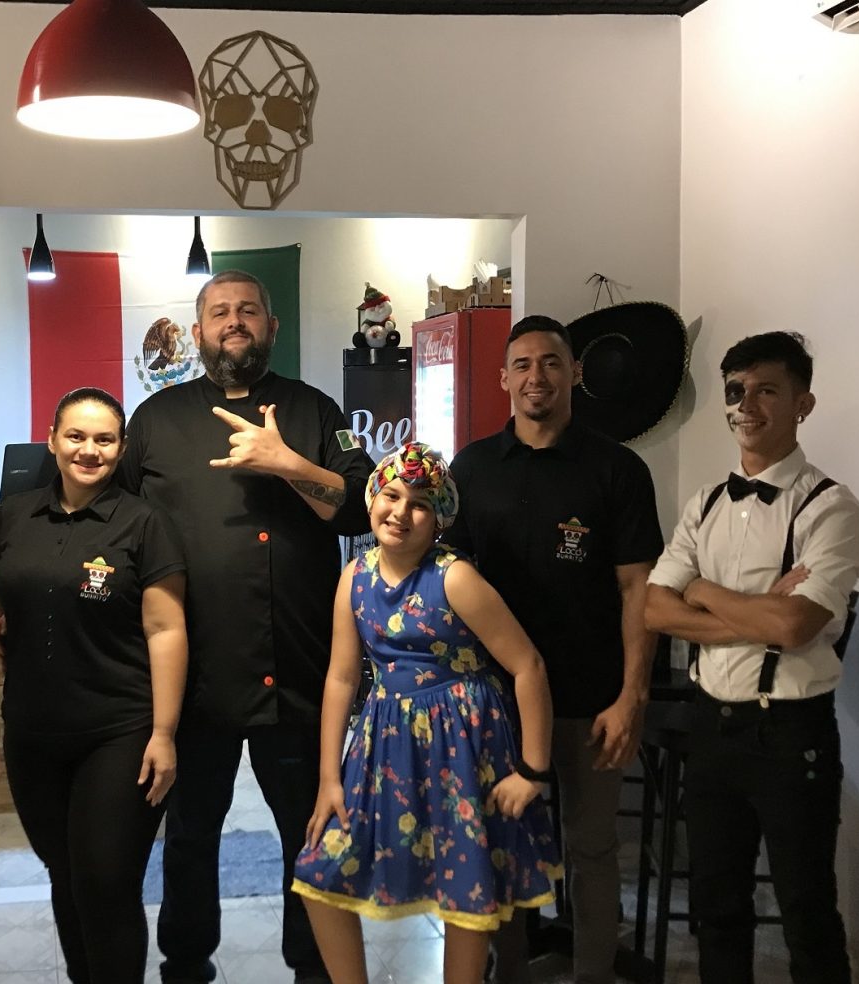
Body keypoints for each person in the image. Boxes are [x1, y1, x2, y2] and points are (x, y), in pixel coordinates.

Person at [119, 269, 373, 984]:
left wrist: (288, 463)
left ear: (272, 326)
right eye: (220, 312)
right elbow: (117, 524)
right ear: (198, 332)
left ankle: (312, 968)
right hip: (192, 677)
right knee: (189, 834)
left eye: (249, 311)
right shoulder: (155, 420)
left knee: (308, 832)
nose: (235, 321)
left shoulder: (315, 410)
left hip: (298, 668)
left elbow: (362, 505)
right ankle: (186, 964)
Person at [443, 315, 662, 984]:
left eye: (551, 362)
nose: (536, 376)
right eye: (523, 364)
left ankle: (593, 973)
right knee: (503, 846)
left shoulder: (618, 469)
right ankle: (509, 971)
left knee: (592, 848)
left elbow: (639, 590)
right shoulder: (471, 468)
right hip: (495, 704)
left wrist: (632, 697)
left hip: (592, 699)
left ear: (575, 373)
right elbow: (447, 582)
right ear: (504, 379)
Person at [293, 443, 561, 984]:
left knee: (466, 883)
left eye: (420, 504)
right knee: (320, 871)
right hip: (384, 745)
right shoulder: (354, 578)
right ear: (372, 500)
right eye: (391, 495)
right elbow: (342, 678)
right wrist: (328, 778)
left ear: (439, 520)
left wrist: (532, 771)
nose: (401, 512)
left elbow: (528, 665)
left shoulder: (455, 577)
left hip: (465, 746)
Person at [644, 331, 859, 984]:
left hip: (790, 731)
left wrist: (702, 590)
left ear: (803, 403)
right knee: (716, 910)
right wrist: (756, 610)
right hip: (712, 725)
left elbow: (795, 624)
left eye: (767, 390)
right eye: (736, 390)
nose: (747, 405)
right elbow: (654, 610)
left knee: (806, 911)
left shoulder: (832, 508)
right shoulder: (706, 503)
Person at [0, 387, 188, 983]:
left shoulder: (144, 523)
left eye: (104, 439)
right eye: (75, 436)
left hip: (119, 732)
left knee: (105, 881)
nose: (88, 450)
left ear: (121, 448)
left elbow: (166, 629)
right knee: (64, 873)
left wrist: (164, 733)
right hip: (32, 733)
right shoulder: (15, 515)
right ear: (52, 441)